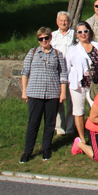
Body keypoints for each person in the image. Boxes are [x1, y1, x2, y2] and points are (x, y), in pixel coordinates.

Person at [19, 27, 68, 163]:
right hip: (35, 92)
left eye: (46, 38)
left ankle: (46, 148)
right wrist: (24, 90)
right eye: (41, 39)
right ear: (38, 40)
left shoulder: (58, 54)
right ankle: (28, 151)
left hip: (52, 93)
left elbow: (63, 75)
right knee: (33, 123)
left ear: (50, 38)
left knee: (50, 123)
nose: (44, 41)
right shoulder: (32, 53)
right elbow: (25, 72)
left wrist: (62, 92)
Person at [66, 21, 98, 148]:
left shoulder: (97, 45)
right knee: (79, 112)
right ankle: (82, 139)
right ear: (76, 35)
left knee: (97, 110)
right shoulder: (73, 49)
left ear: (89, 32)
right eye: (80, 32)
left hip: (94, 85)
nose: (83, 34)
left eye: (85, 31)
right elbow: (67, 67)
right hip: (78, 86)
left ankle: (97, 134)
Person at [51, 11, 75, 136]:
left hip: (70, 72)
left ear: (69, 21)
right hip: (56, 73)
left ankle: (71, 128)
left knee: (71, 102)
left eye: (65, 20)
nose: (63, 23)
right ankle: (60, 128)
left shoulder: (74, 34)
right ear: (57, 22)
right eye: (61, 21)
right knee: (58, 101)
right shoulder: (52, 36)